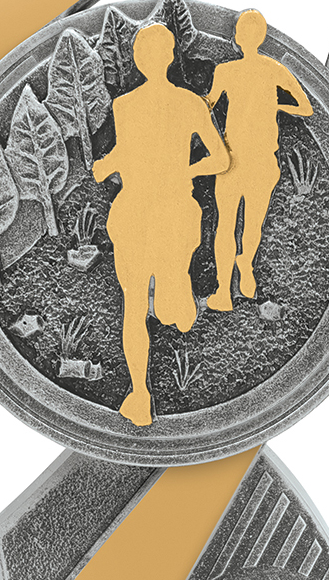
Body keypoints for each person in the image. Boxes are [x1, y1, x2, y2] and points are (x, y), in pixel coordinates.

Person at [94, 23, 230, 428]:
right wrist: (186, 169)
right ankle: (141, 391)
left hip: (151, 211)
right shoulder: (180, 104)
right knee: (147, 302)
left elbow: (126, 155)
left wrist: (106, 167)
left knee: (141, 306)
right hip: (158, 209)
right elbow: (219, 159)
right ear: (167, 57)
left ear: (143, 59)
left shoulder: (131, 105)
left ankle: (142, 389)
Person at [206, 9, 314, 311]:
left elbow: (207, 106)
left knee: (225, 225)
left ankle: (223, 294)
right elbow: (306, 108)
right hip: (264, 161)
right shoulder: (274, 70)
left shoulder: (225, 71)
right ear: (262, 37)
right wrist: (278, 107)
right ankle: (245, 266)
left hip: (232, 160)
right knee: (253, 224)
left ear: (238, 37)